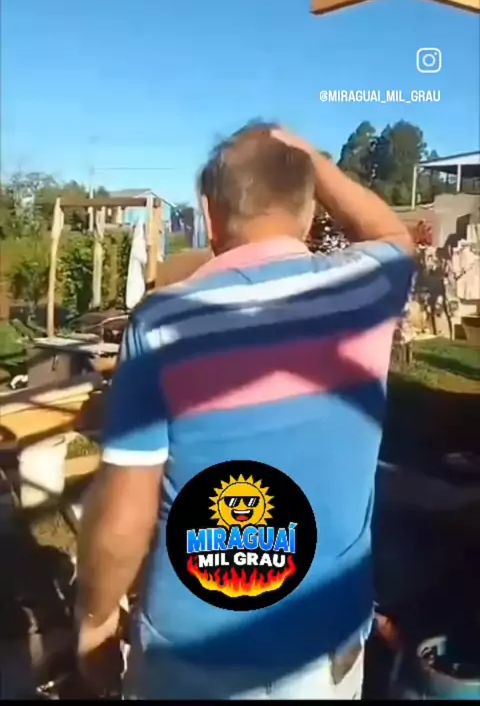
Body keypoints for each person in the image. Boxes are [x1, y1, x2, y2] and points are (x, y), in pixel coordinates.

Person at [75, 122, 414, 700]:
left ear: (210, 215)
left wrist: (97, 619)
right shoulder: (369, 286)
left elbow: (125, 513)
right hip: (325, 648)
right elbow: (391, 233)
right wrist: (311, 159)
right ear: (310, 212)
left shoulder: (165, 323)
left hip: (197, 659)